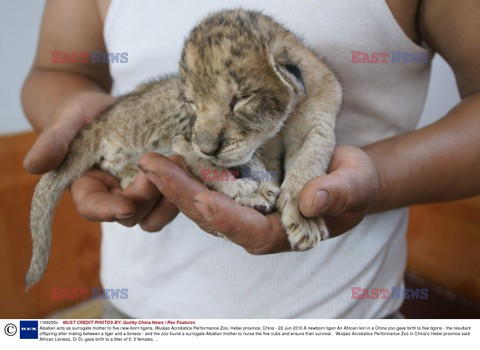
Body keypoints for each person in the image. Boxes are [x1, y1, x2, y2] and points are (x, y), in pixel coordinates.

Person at [22, 0, 480, 318]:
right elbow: (58, 69)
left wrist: (377, 179)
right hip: (140, 313)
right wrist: (80, 122)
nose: (208, 140)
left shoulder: (306, 83)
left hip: (344, 318)